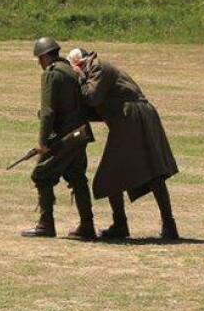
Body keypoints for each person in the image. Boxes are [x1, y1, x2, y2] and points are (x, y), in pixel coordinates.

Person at [68, 49, 181, 239]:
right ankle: (161, 224)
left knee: (116, 171)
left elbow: (91, 98)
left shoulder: (97, 68)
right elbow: (98, 107)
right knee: (148, 170)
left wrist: (80, 78)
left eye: (76, 68)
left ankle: (125, 225)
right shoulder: (97, 69)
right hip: (136, 116)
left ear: (80, 64)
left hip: (132, 117)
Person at [20, 37, 96, 240]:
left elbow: (47, 111)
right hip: (80, 134)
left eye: (39, 59)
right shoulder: (71, 71)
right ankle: (87, 225)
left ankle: (46, 224)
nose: (39, 63)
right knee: (77, 177)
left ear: (45, 56)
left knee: (41, 174)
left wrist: (43, 142)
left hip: (66, 136)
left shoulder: (51, 74)